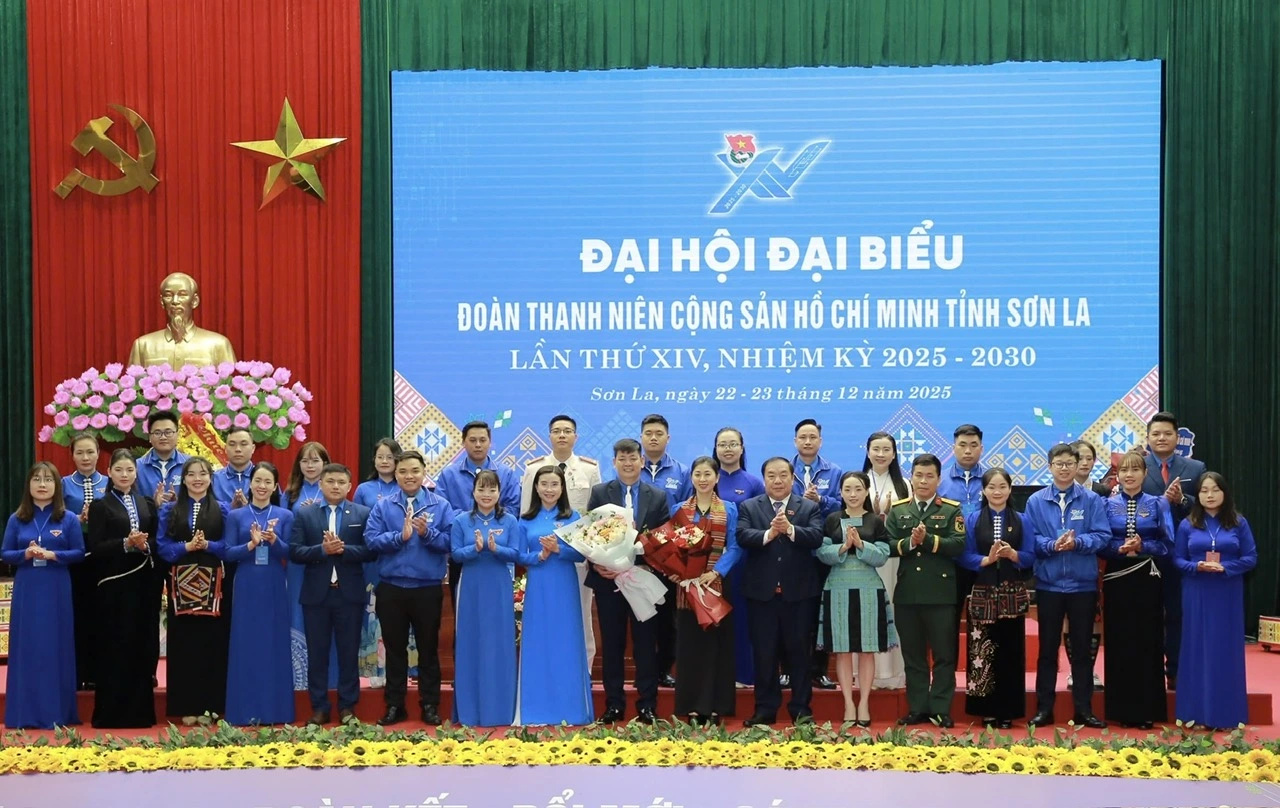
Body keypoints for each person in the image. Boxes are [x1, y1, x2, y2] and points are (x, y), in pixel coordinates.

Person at [364, 450, 455, 726]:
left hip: (427, 588)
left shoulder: (440, 505)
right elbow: (371, 540)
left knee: (428, 649)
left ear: (424, 472)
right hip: (391, 587)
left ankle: (430, 705)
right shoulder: (384, 506)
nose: (409, 476)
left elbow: (451, 542)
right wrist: (398, 537)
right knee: (395, 650)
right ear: (396, 474)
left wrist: (427, 534)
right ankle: (395, 705)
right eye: (403, 471)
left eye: (415, 470)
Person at [1024, 443, 1110, 729]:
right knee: (1047, 650)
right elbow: (1031, 539)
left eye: (1069, 463)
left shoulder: (1091, 499)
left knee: (1082, 650)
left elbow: (1102, 535)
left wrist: (1078, 543)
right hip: (1049, 585)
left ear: (1077, 466)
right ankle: (1044, 709)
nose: (1064, 468)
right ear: (1049, 467)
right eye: (1058, 464)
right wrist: (1052, 545)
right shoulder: (1036, 501)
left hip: (1082, 586)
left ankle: (1084, 709)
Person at [585, 438, 670, 724]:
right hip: (608, 582)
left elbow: (663, 538)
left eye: (633, 458)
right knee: (613, 644)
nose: (628, 463)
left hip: (642, 579)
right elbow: (589, 534)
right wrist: (599, 564)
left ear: (642, 461)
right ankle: (614, 705)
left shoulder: (657, 496)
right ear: (614, 463)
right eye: (622, 458)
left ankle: (647, 705)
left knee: (646, 645)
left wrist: (642, 553)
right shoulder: (600, 492)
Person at [737, 457, 825, 726]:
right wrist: (770, 534)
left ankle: (801, 709)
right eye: (771, 475)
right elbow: (743, 536)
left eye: (783, 475)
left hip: (798, 595)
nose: (777, 480)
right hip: (761, 595)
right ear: (764, 479)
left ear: (792, 477)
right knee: (764, 654)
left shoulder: (808, 506)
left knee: (799, 654)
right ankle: (765, 709)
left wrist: (790, 529)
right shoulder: (749, 506)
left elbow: (816, 537)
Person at [1, 462, 85, 729]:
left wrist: (53, 554)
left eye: (48, 480)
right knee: (28, 645)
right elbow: (5, 553)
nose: (42, 484)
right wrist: (25, 554)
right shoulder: (17, 519)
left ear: (57, 486)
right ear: (28, 485)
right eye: (37, 479)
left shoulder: (68, 518)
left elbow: (79, 552)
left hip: (56, 586)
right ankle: (24, 712)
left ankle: (56, 711)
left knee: (55, 645)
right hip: (28, 588)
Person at [885, 453, 966, 727]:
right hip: (908, 593)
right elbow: (888, 545)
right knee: (913, 655)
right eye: (918, 475)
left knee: (944, 655)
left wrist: (928, 539)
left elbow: (958, 545)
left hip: (941, 594)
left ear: (939, 479)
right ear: (911, 477)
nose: (923, 481)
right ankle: (918, 707)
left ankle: (941, 709)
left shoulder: (951, 509)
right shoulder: (899, 510)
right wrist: (910, 542)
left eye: (929, 476)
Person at [289, 463, 373, 725]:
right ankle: (319, 708)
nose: (336, 486)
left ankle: (347, 707)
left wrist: (344, 549)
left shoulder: (362, 513)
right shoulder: (305, 514)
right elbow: (295, 551)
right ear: (321, 484)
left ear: (350, 486)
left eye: (341, 482)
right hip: (316, 596)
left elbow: (371, 550)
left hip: (349, 595)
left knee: (348, 654)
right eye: (330, 481)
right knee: (317, 654)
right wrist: (322, 550)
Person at [518, 415, 602, 675]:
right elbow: (526, 513)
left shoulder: (589, 469)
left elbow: (595, 517)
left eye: (567, 431)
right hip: (541, 562)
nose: (562, 435)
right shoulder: (534, 469)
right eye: (557, 431)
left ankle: (583, 672)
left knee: (581, 616)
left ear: (576, 436)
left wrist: (591, 552)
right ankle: (545, 671)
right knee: (543, 619)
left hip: (577, 557)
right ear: (549, 436)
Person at [1173, 472, 1256, 730]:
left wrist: (1227, 567)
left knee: (1225, 648)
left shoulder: (1238, 522)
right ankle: (1195, 714)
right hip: (1196, 590)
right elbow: (1177, 559)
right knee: (1196, 648)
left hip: (1227, 591)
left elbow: (1251, 557)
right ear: (1197, 495)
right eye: (1204, 490)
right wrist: (1196, 566)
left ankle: (1226, 715)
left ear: (1224, 492)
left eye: (1215, 490)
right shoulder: (1188, 524)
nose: (1209, 495)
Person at [86, 449, 161, 728]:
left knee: (140, 644)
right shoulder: (101, 505)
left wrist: (144, 544)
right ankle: (111, 714)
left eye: (129, 470)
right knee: (114, 645)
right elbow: (95, 547)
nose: (125, 475)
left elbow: (157, 540)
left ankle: (140, 714)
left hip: (142, 583)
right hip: (114, 584)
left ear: (136, 472)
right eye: (119, 470)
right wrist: (125, 544)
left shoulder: (146, 503)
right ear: (109, 472)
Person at [667, 456, 743, 723]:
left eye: (707, 474)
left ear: (717, 477)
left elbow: (735, 546)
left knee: (716, 647)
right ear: (691, 478)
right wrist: (682, 573)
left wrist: (715, 572)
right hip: (687, 588)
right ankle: (691, 707)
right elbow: (670, 546)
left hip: (716, 585)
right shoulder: (678, 509)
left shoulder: (730, 509)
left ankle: (714, 707)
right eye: (697, 474)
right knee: (690, 647)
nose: (702, 479)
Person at [156, 457, 232, 722]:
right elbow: (162, 547)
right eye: (191, 474)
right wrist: (186, 547)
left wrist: (208, 545)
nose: (197, 479)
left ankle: (212, 707)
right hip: (180, 582)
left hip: (214, 583)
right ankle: (185, 707)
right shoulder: (170, 510)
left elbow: (229, 546)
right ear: (183, 479)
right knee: (183, 644)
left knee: (212, 643)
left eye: (203, 474)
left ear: (211, 478)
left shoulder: (223, 509)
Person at [1102, 450, 1173, 729]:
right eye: (1124, 470)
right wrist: (1118, 548)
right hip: (1117, 577)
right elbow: (1100, 542)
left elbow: (1168, 544)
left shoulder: (1158, 504)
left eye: (1135, 470)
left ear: (1145, 473)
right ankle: (1121, 710)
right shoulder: (1107, 504)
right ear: (1117, 475)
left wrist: (1144, 546)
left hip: (1147, 578)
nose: (1129, 475)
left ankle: (1146, 710)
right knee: (1119, 640)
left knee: (1147, 639)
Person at [517, 465, 593, 725]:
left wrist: (559, 549)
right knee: (538, 641)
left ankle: (570, 709)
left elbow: (582, 554)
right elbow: (519, 555)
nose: (549, 489)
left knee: (566, 642)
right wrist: (539, 556)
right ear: (536, 488)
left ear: (562, 489)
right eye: (544, 484)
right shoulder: (525, 520)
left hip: (565, 586)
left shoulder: (573, 517)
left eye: (554, 484)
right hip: (538, 585)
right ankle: (535, 709)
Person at [957, 468, 1033, 729]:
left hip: (1012, 593)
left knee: (1012, 652)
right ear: (983, 490)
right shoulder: (972, 519)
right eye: (992, 487)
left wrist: (1014, 555)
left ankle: (1008, 710)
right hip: (983, 592)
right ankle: (986, 710)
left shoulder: (1022, 519)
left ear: (1010, 489)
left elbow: (1031, 555)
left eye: (1002, 486)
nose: (997, 491)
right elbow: (963, 555)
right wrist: (986, 560)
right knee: (982, 651)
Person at [817, 471, 893, 727]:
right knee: (843, 649)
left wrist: (860, 545)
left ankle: (864, 703)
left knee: (867, 649)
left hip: (869, 587)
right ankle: (848, 702)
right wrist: (843, 547)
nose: (852, 494)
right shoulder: (832, 519)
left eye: (858, 489)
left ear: (866, 491)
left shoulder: (875, 521)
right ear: (840, 492)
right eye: (847, 489)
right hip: (837, 586)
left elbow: (883, 554)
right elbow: (821, 552)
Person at [450, 470, 525, 726]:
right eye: (481, 489)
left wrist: (496, 549)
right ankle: (470, 710)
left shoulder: (510, 521)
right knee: (470, 642)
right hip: (470, 587)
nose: (486, 494)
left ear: (499, 493)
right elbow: (456, 554)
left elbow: (515, 553)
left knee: (498, 643)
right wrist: (475, 548)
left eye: (492, 489)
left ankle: (500, 710)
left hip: (499, 586)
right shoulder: (461, 521)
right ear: (473, 492)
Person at [223, 463, 295, 726]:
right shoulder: (236, 516)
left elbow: (290, 552)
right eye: (258, 481)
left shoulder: (285, 515)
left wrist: (274, 541)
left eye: (268, 482)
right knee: (245, 643)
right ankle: (243, 711)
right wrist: (251, 544)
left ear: (275, 486)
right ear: (250, 483)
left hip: (274, 582)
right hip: (246, 583)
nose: (262, 486)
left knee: (273, 643)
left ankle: (276, 711)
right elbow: (227, 553)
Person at [1143, 412, 1205, 691]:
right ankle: (1149, 672)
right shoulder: (1138, 467)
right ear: (1148, 438)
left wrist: (1182, 499)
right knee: (1148, 616)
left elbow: (1205, 506)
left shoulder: (1194, 468)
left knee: (1178, 614)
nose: (1161, 438)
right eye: (1156, 434)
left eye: (1167, 433)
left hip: (1183, 555)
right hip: (1147, 555)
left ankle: (1176, 671)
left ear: (1177, 437)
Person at [437, 421, 521, 614]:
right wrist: (471, 520)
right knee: (464, 613)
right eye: (472, 440)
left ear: (490, 442)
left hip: (499, 555)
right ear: (463, 442)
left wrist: (488, 521)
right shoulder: (449, 474)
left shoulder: (506, 473)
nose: (477, 444)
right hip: (462, 553)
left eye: (482, 440)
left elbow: (513, 508)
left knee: (498, 613)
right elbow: (442, 510)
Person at [638, 413, 689, 688]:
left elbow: (688, 513)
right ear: (641, 437)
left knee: (668, 617)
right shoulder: (632, 468)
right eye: (648, 433)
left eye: (659, 433)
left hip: (670, 557)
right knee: (641, 617)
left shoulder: (682, 472)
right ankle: (644, 670)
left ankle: (664, 668)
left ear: (668, 438)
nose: (653, 438)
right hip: (635, 557)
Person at [792, 418, 842, 691]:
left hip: (823, 551)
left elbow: (844, 505)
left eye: (813, 437)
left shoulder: (834, 472)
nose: (808, 441)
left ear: (820, 441)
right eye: (803, 437)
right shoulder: (785, 470)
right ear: (795, 441)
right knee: (791, 612)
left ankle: (818, 669)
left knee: (822, 612)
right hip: (792, 550)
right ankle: (788, 670)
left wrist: (820, 500)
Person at [713, 426, 763, 689]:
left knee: (742, 617)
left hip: (745, 560)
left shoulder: (753, 483)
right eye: (723, 444)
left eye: (733, 444)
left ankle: (744, 674)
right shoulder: (708, 479)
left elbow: (761, 520)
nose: (728, 449)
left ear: (742, 448)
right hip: (711, 561)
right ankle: (716, 675)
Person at [352, 437, 401, 687]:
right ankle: (372, 671)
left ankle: (399, 671)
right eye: (380, 457)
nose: (384, 461)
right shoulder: (364, 489)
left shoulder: (405, 487)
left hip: (400, 559)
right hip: (371, 561)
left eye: (389, 457)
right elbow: (355, 525)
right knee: (372, 614)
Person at [861, 431, 909, 689]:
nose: (880, 454)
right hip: (864, 557)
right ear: (867, 452)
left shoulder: (905, 484)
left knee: (892, 610)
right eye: (876, 449)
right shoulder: (858, 480)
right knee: (867, 612)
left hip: (893, 559)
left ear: (894, 454)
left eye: (886, 449)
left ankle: (893, 674)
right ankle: (866, 674)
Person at [283, 441, 332, 691]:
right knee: (298, 613)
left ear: (325, 463)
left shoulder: (332, 489)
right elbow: (282, 529)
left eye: (315, 460)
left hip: (326, 563)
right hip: (298, 564)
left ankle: (329, 678)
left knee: (326, 615)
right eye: (305, 461)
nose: (310, 465)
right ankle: (298, 677)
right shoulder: (289, 494)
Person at [62, 432, 107, 692]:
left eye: (90, 452)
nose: (86, 457)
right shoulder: (63, 484)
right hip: (75, 552)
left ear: (98, 453)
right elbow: (56, 517)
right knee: (78, 612)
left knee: (103, 612)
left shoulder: (109, 482)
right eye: (80, 452)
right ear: (72, 456)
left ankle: (99, 673)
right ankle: (78, 671)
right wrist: (75, 520)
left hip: (103, 552)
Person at [127, 271, 237, 368]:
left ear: (194, 301)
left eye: (182, 295)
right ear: (162, 302)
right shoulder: (143, 345)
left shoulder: (218, 344)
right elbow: (133, 383)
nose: (175, 301)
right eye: (168, 295)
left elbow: (228, 383)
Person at [1067, 438, 1108, 690]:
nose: (1084, 462)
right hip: (1065, 561)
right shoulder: (1060, 490)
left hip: (1096, 559)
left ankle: (1090, 670)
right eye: (1079, 458)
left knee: (1094, 616)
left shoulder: (1103, 491)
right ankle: (1074, 671)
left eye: (1089, 458)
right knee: (1069, 618)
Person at [135, 409, 188, 506]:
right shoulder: (137, 467)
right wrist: (153, 504)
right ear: (150, 437)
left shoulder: (190, 464)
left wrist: (178, 504)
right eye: (157, 433)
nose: (163, 437)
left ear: (177, 434)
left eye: (168, 432)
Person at [212, 427, 255, 508]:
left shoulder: (264, 478)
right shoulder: (214, 479)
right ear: (225, 448)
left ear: (253, 448)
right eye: (232, 444)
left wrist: (249, 509)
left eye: (243, 444)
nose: (238, 449)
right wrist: (229, 508)